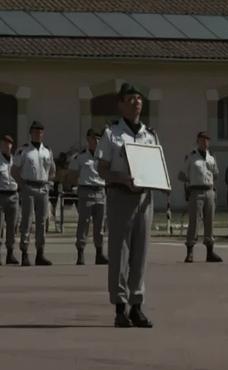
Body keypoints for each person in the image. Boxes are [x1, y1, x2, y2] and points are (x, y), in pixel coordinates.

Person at [97, 83, 158, 328]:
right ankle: (120, 307)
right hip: (120, 196)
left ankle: (137, 306)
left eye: (139, 99)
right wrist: (122, 179)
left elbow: (155, 166)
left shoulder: (150, 134)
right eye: (131, 99)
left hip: (144, 199)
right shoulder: (112, 134)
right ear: (121, 104)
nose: (136, 103)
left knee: (140, 253)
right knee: (120, 253)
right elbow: (102, 168)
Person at [11, 121, 54, 266]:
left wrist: (50, 183)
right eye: (35, 131)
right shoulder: (23, 150)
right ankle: (25, 253)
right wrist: (22, 185)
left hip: (43, 188)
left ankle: (40, 254)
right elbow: (14, 170)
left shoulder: (47, 150)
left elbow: (52, 170)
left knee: (42, 222)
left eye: (41, 131)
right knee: (27, 221)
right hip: (28, 187)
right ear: (30, 133)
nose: (38, 134)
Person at [179, 131, 222, 263]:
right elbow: (181, 175)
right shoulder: (191, 157)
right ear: (197, 141)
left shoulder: (211, 157)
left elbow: (215, 174)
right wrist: (190, 182)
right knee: (194, 222)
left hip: (209, 191)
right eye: (202, 140)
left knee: (210, 221)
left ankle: (210, 252)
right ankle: (190, 251)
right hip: (196, 191)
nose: (205, 142)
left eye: (207, 140)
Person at [66, 128, 108, 265]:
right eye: (92, 138)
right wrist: (79, 184)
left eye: (98, 138)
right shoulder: (80, 157)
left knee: (100, 225)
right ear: (88, 140)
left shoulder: (104, 156)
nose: (95, 141)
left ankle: (99, 253)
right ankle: (80, 253)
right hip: (86, 191)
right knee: (83, 223)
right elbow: (71, 175)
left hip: (101, 191)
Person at [0, 135, 19, 265]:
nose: (7, 146)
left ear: (12, 146)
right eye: (5, 144)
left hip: (14, 195)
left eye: (9, 144)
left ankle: (10, 254)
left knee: (12, 227)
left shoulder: (16, 160)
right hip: (0, 195)